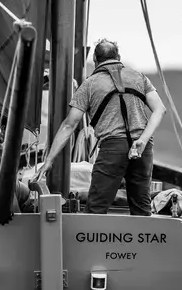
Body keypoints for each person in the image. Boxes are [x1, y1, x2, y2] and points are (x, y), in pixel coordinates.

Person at [31, 39, 166, 215]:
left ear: (95, 58)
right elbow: (160, 109)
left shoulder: (90, 84)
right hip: (143, 148)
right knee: (142, 207)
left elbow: (69, 125)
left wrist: (48, 161)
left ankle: (91, 242)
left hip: (112, 148)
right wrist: (142, 140)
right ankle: (143, 241)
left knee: (96, 207)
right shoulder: (139, 77)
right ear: (118, 57)